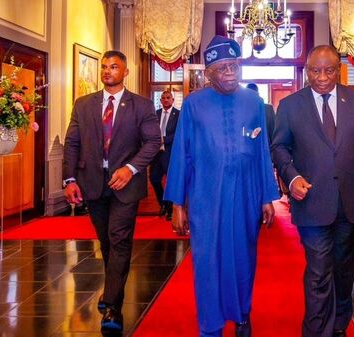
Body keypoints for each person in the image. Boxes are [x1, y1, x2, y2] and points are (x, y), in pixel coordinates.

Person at [271, 45, 354, 337]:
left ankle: (338, 326)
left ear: (339, 69)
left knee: (344, 271)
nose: (322, 77)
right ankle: (315, 332)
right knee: (318, 272)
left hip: (352, 203)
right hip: (311, 202)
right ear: (306, 70)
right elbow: (279, 147)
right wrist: (292, 176)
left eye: (328, 70)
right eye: (314, 70)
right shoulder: (290, 105)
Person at [164, 35, 279, 337]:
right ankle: (210, 325)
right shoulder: (192, 105)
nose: (230, 73)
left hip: (246, 196)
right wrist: (178, 205)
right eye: (222, 68)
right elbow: (181, 155)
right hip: (205, 198)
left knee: (244, 257)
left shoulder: (254, 102)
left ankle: (242, 314)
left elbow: (263, 151)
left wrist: (267, 197)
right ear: (208, 72)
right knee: (207, 261)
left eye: (234, 66)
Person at [63, 50, 161, 332]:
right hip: (92, 183)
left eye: (114, 67)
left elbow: (152, 143)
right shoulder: (83, 104)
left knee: (119, 240)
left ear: (125, 72)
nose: (107, 71)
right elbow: (71, 144)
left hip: (125, 185)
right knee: (106, 241)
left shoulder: (141, 106)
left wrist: (130, 168)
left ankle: (114, 308)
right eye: (104, 67)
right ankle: (113, 287)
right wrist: (69, 180)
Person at [149, 90, 180, 219]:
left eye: (168, 98)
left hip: (170, 154)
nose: (166, 100)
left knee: (171, 182)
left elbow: (179, 133)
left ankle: (171, 209)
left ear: (172, 100)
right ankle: (163, 204)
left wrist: (164, 139)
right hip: (156, 154)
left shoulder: (178, 114)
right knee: (154, 179)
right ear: (160, 100)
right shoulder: (155, 114)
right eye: (163, 98)